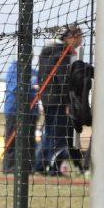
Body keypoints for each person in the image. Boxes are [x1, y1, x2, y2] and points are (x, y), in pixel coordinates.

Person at [37, 24, 83, 174]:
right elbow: (62, 79)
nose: (80, 41)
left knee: (49, 133)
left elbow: (41, 76)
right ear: (70, 37)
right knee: (58, 136)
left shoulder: (47, 52)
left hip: (47, 98)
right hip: (58, 100)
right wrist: (68, 102)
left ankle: (40, 165)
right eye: (79, 37)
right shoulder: (62, 53)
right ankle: (53, 168)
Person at [2, 58, 38, 174]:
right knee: (12, 139)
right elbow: (15, 88)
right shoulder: (14, 69)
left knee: (29, 140)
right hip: (14, 110)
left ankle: (29, 167)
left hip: (31, 111)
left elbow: (40, 84)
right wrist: (32, 87)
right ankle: (9, 167)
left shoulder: (33, 71)